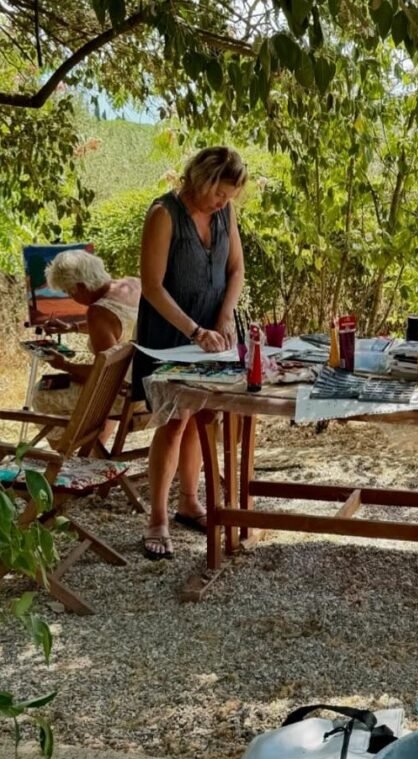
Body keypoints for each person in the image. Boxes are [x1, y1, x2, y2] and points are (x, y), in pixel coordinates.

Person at [135, 146, 247, 561]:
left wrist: (224, 316)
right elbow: (152, 286)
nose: (223, 203)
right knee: (173, 422)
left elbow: (235, 269)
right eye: (220, 193)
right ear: (202, 179)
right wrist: (194, 330)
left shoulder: (225, 215)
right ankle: (157, 519)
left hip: (211, 335)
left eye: (229, 197)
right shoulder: (163, 215)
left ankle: (189, 502)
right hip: (169, 335)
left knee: (204, 416)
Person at [33, 250, 140, 422]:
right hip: (147, 385)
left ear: (81, 287)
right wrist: (72, 327)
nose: (71, 297)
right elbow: (118, 325)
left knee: (42, 391)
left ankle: (71, 447)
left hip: (126, 395)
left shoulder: (98, 312)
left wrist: (65, 365)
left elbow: (106, 376)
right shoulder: (133, 284)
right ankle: (95, 445)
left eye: (69, 292)